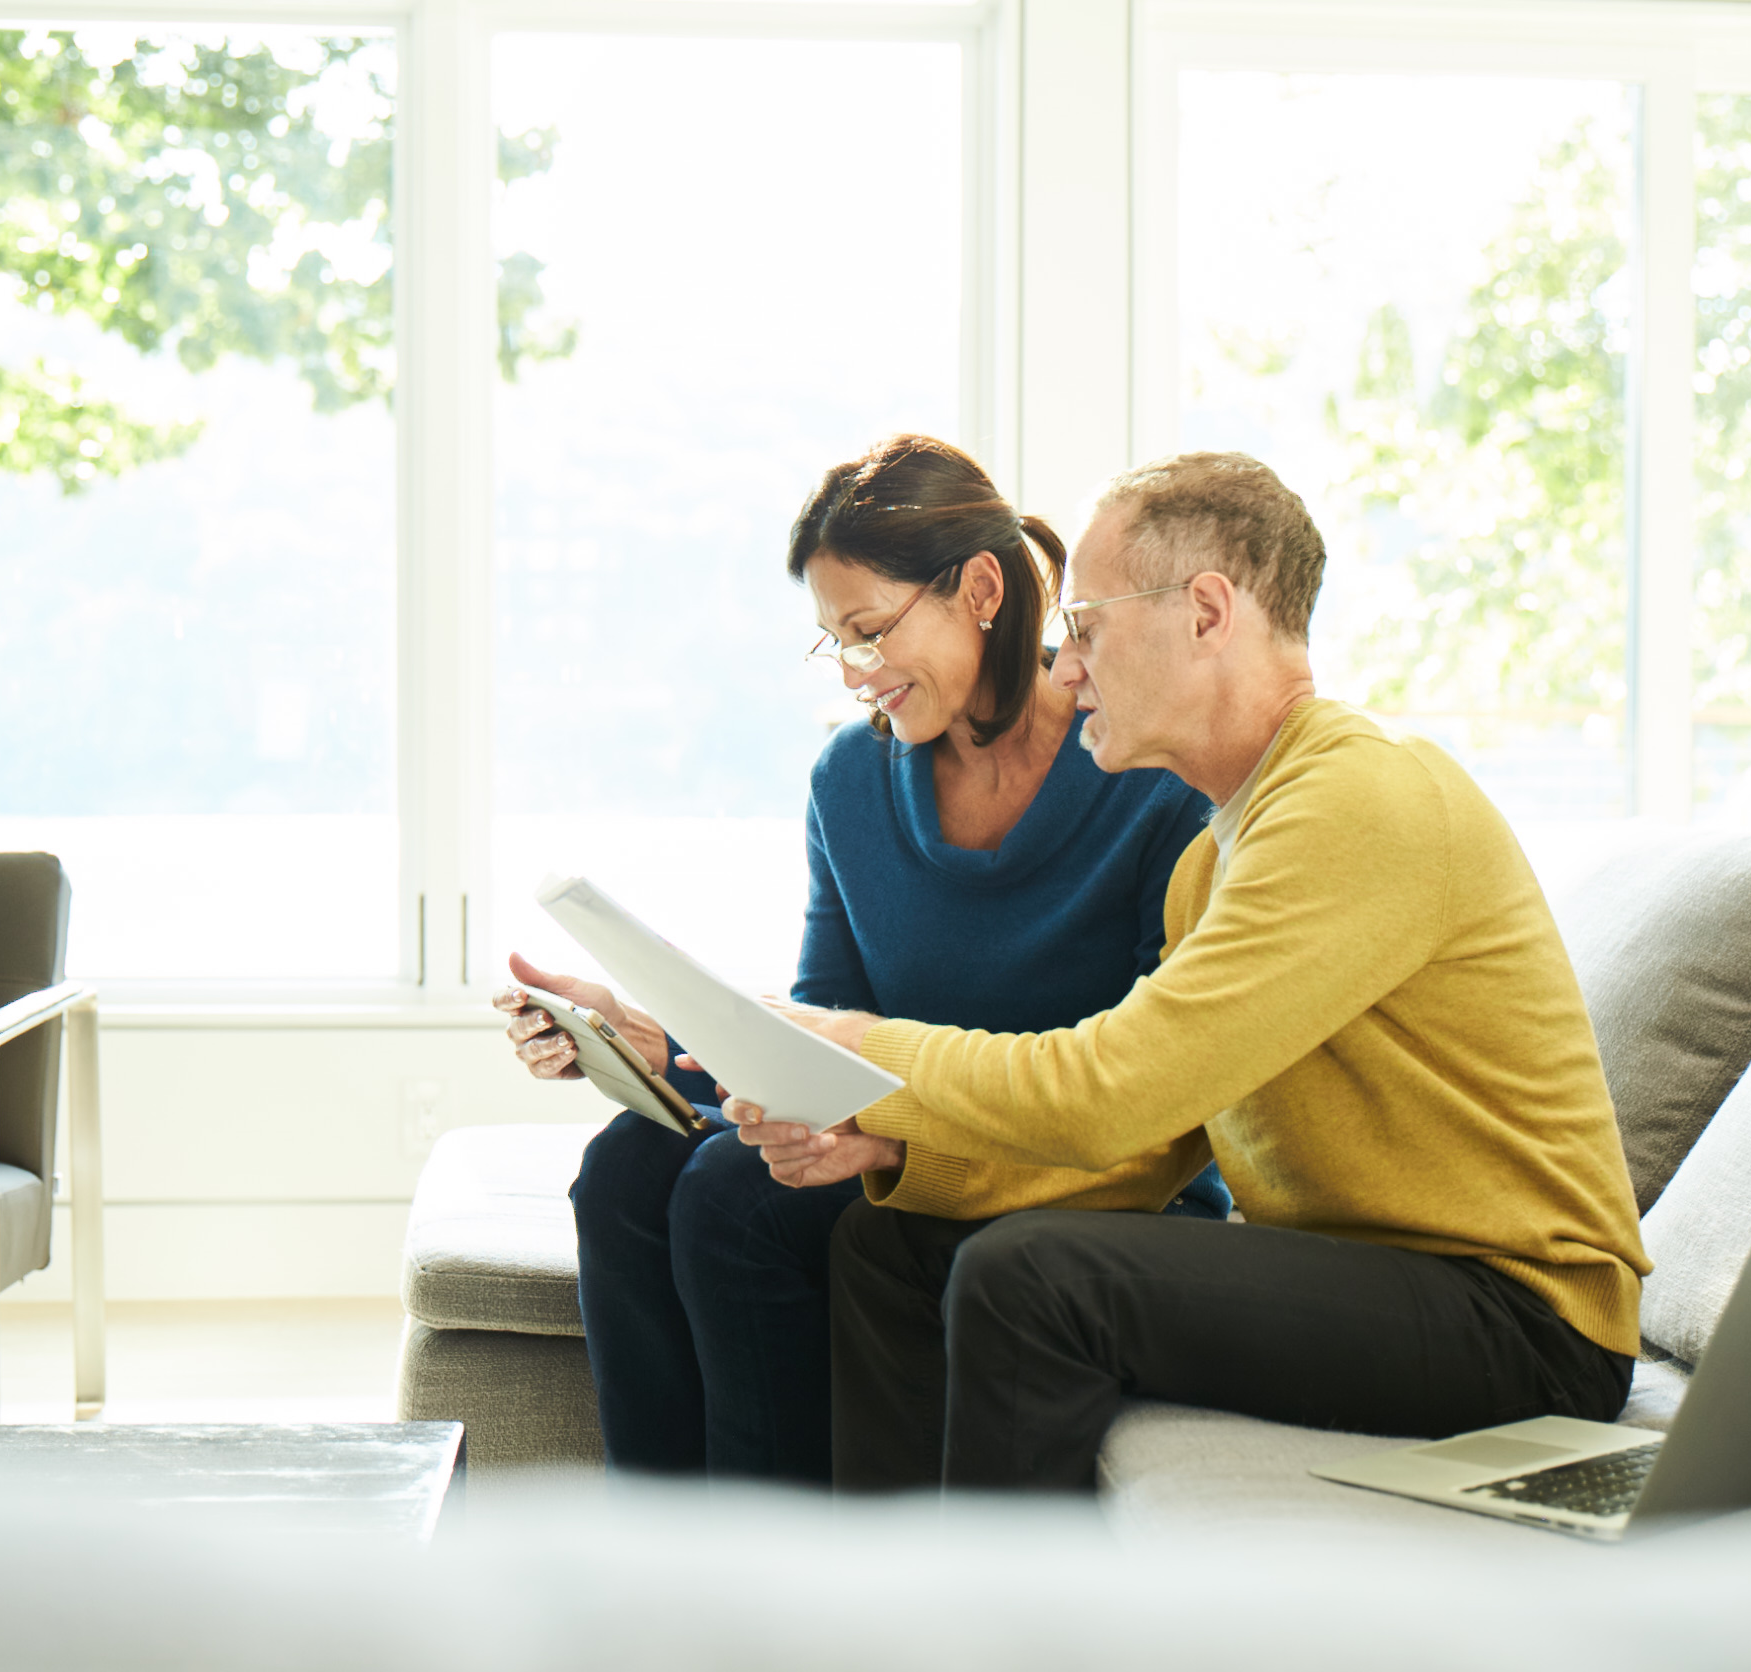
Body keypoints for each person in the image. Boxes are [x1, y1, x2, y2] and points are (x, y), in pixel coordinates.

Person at [733, 450, 1651, 1492]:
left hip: (1521, 1314)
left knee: (1029, 1277)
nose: (1064, 665)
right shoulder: (1214, 857)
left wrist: (859, 1048)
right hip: (1380, 1277)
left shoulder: (1354, 800)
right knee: (893, 1246)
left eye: (1087, 628)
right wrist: (899, 1161)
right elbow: (1149, 1150)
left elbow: (1107, 1095)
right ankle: (888, 1619)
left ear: (1206, 613)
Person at [493, 434, 1222, 1486]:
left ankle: (783, 1585)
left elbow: (1146, 1097)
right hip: (889, 1128)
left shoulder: (1144, 781)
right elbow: (823, 1032)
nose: (853, 671)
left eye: (871, 629)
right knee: (622, 1169)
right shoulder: (849, 780)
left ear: (979, 588)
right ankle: (660, 1572)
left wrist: (880, 1130)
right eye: (831, 641)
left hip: (1064, 1161)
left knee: (732, 1198)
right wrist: (657, 1041)